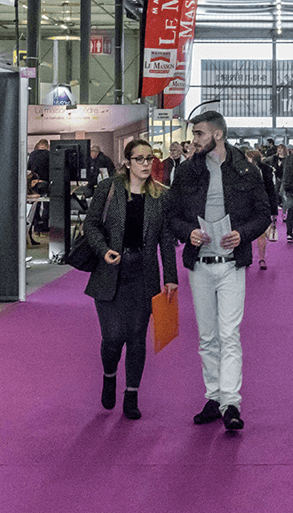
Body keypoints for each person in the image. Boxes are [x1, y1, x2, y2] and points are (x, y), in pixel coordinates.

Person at [166, 110, 271, 430]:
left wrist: (244, 233)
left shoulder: (246, 170)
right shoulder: (185, 172)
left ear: (218, 135)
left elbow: (264, 213)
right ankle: (213, 396)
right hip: (199, 265)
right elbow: (172, 216)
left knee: (229, 334)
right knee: (208, 337)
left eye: (199, 134)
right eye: (193, 134)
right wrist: (188, 233)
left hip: (231, 266)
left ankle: (231, 403)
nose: (193, 139)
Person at [83, 139, 178, 420]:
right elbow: (90, 224)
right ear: (127, 161)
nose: (146, 164)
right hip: (111, 270)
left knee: (137, 338)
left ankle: (132, 395)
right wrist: (104, 250)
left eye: (150, 158)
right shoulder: (109, 188)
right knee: (113, 337)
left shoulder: (161, 195)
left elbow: (166, 240)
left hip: (144, 273)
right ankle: (109, 375)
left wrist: (170, 277)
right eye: (140, 159)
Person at [246, 150, 279, 270]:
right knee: (247, 233)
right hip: (247, 205)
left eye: (247, 158)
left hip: (263, 205)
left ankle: (261, 259)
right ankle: (247, 258)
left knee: (262, 233)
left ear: (254, 159)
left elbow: (271, 191)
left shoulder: (267, 170)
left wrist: (273, 210)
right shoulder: (242, 170)